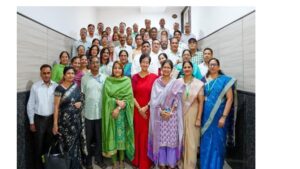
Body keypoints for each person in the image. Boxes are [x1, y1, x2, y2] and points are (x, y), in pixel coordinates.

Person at [200, 58, 237, 169]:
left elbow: (230, 99)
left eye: (215, 64)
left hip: (219, 117)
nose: (212, 66)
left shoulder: (225, 80)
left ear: (219, 67)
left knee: (217, 143)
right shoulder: (203, 80)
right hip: (205, 116)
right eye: (210, 65)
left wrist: (224, 117)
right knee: (206, 142)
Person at [148, 60, 184, 169]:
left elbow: (178, 99)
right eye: (164, 67)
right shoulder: (156, 82)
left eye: (169, 67)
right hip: (160, 116)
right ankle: (162, 163)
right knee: (162, 141)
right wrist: (161, 112)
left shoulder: (176, 83)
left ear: (171, 69)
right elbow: (153, 101)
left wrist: (171, 112)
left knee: (172, 141)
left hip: (172, 117)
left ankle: (171, 163)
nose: (166, 69)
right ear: (161, 69)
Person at [52, 66, 87, 169]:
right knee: (66, 145)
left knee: (76, 145)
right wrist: (55, 124)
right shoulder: (59, 88)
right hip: (64, 123)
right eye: (68, 73)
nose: (71, 75)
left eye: (72, 73)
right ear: (64, 75)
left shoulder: (76, 86)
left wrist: (80, 103)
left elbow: (82, 98)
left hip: (76, 121)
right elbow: (56, 107)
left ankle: (76, 166)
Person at [102, 61, 135, 169]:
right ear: (112, 70)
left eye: (119, 68)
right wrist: (116, 101)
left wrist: (119, 107)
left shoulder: (126, 81)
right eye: (115, 68)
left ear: (122, 70)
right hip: (110, 114)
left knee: (121, 138)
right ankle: (114, 162)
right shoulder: (108, 80)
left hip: (122, 114)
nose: (117, 70)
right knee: (113, 137)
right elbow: (105, 98)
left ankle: (121, 161)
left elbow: (129, 99)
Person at [27, 64, 58, 169]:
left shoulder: (56, 86)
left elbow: (58, 105)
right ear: (41, 74)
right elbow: (30, 105)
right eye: (44, 73)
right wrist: (31, 122)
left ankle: (47, 166)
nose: (46, 75)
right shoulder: (35, 86)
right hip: (39, 120)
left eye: (48, 73)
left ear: (51, 73)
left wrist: (56, 122)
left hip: (51, 120)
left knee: (49, 146)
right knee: (38, 146)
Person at [131, 54, 158, 169]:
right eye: (143, 62)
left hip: (149, 110)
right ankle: (137, 160)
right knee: (138, 134)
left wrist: (146, 107)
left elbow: (156, 95)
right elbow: (131, 95)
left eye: (147, 62)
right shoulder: (134, 77)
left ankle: (147, 161)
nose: (145, 64)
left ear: (149, 63)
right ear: (140, 63)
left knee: (147, 136)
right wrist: (139, 108)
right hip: (137, 111)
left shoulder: (154, 77)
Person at [81, 56, 108, 169]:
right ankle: (88, 161)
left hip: (101, 113)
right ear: (89, 64)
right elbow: (82, 95)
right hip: (88, 113)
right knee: (88, 138)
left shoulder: (105, 77)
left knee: (99, 138)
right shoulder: (85, 78)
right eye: (93, 63)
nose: (95, 64)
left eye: (97, 62)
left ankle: (99, 159)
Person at [178, 61, 204, 169]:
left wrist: (198, 118)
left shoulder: (198, 83)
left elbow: (201, 102)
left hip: (193, 114)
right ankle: (181, 164)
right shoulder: (178, 82)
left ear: (192, 69)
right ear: (182, 69)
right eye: (185, 67)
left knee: (192, 142)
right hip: (180, 114)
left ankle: (190, 166)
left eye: (189, 67)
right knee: (181, 140)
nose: (187, 69)